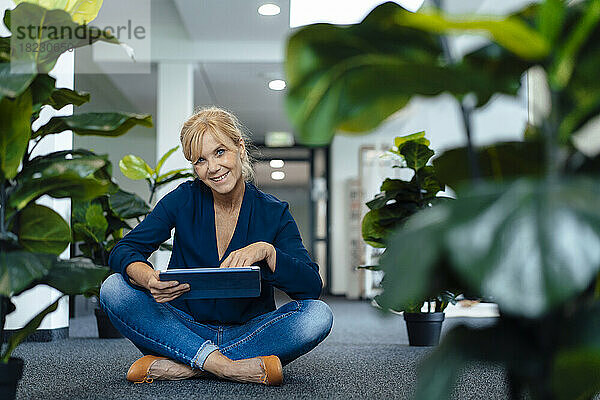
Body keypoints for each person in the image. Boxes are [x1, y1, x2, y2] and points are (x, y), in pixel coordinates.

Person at [99, 106, 333, 386]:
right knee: (113, 288)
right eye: (200, 160)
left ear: (240, 148)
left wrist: (268, 252)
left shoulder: (274, 212)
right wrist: (148, 278)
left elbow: (310, 287)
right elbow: (125, 250)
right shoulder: (183, 198)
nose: (212, 168)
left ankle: (189, 365)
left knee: (318, 316)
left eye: (220, 152)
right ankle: (229, 367)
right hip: (184, 327)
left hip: (249, 332)